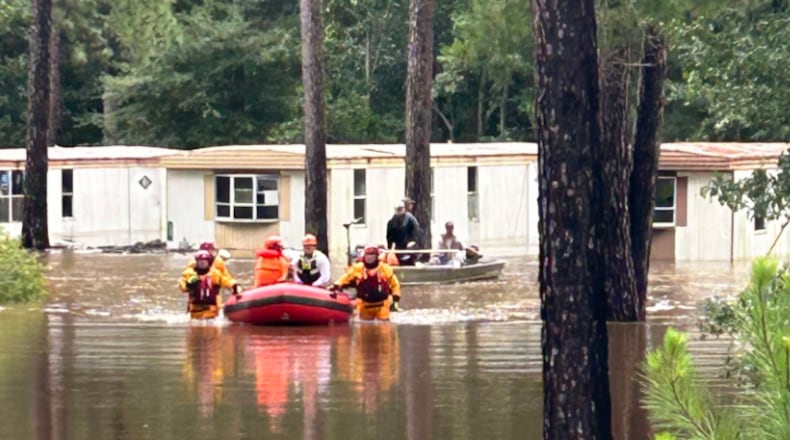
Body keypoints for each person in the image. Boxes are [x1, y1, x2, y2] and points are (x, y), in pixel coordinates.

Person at [329, 245, 401, 320]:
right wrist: (336, 285)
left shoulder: (385, 269)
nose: (369, 258)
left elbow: (395, 285)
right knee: (364, 324)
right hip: (364, 304)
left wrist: (395, 300)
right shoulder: (358, 268)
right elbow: (346, 277)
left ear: (377, 256)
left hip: (382, 304)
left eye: (372, 256)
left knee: (384, 324)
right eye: (368, 256)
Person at [179, 250, 240, 319]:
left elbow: (226, 281)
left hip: (212, 311)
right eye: (200, 261)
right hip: (195, 311)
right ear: (196, 262)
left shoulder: (215, 274)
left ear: (209, 262)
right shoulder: (190, 274)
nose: (202, 263)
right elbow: (182, 287)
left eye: (204, 261)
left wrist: (234, 286)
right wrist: (189, 284)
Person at [386, 201, 421, 266]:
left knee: (409, 260)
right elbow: (389, 236)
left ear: (404, 208)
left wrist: (413, 241)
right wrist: (389, 247)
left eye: (401, 208)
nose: (399, 210)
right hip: (398, 246)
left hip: (410, 246)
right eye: (397, 209)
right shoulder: (391, 222)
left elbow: (417, 230)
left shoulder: (410, 219)